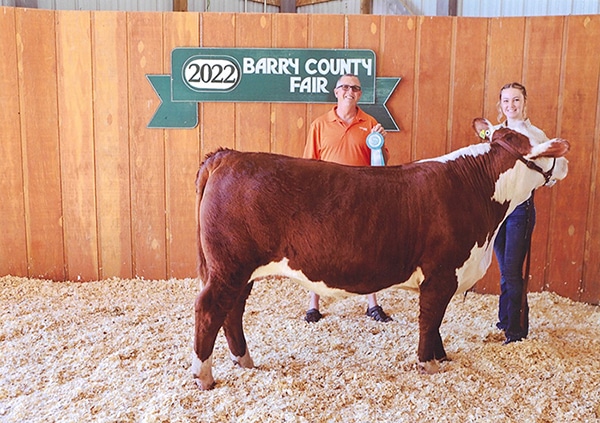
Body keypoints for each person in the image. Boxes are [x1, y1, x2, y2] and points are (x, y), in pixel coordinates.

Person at [302, 73, 392, 324]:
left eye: (354, 88)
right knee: (318, 248)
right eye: (344, 87)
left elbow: (381, 163)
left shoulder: (370, 123)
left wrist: (381, 143)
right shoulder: (319, 124)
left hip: (361, 198)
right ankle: (313, 304)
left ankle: (372, 304)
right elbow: (309, 164)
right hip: (327, 198)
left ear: (360, 94)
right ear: (336, 91)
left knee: (368, 247)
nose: (349, 91)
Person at [493, 82, 550, 344]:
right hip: (498, 211)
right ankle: (506, 320)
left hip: (520, 210)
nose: (511, 106)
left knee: (513, 271)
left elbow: (549, 171)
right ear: (500, 104)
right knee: (505, 269)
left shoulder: (536, 135)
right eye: (506, 101)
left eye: (516, 100)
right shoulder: (495, 133)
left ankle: (517, 330)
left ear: (524, 103)